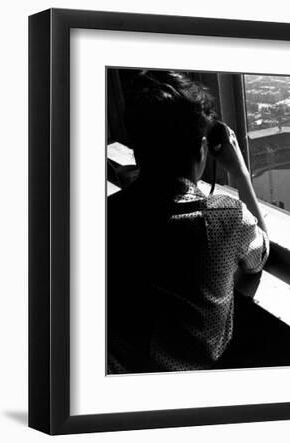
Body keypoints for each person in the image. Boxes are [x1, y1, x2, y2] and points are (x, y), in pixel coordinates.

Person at [107, 70, 269, 373]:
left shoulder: (107, 215)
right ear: (202, 149)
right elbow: (259, 256)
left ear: (139, 150)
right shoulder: (226, 216)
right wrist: (240, 174)